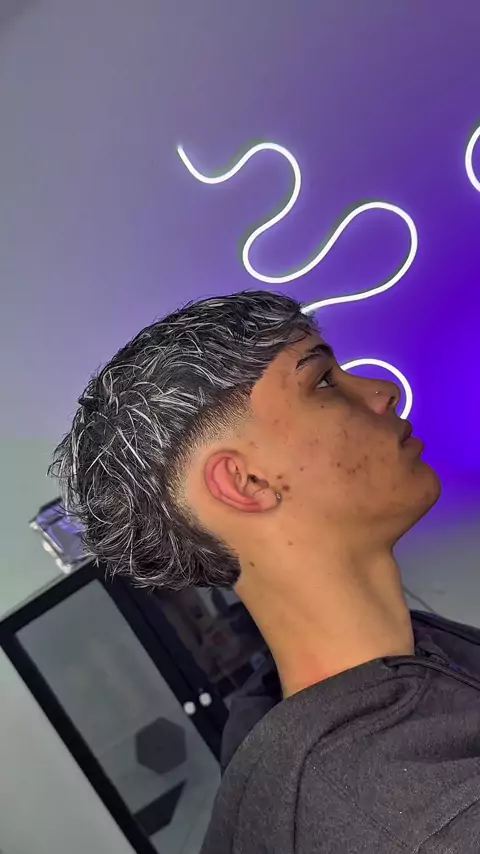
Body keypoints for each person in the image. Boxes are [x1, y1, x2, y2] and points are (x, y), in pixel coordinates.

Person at [51, 290, 480, 853]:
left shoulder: (409, 659)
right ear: (246, 484)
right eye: (322, 381)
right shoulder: (414, 824)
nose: (382, 390)